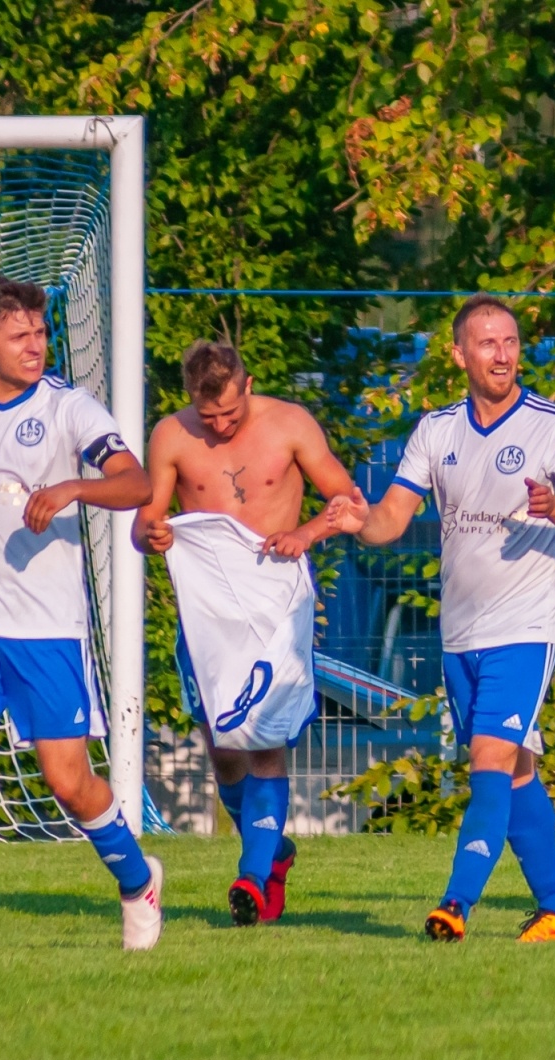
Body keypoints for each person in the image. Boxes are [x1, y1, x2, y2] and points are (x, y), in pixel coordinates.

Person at [0, 275, 162, 962]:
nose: (36, 346)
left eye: (41, 333)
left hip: (46, 630)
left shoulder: (70, 409)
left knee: (67, 780)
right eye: (20, 336)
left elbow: (137, 483)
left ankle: (138, 882)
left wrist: (75, 484)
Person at [348, 296, 555, 943]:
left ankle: (455, 905)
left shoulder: (552, 426)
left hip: (526, 625)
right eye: (487, 343)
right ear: (458, 354)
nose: (502, 354)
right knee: (516, 772)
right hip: (461, 632)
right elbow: (391, 518)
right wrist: (355, 522)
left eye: (511, 341)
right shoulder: (437, 431)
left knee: (489, 759)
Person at [132, 340, 367, 926]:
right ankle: (273, 851)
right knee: (221, 745)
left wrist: (306, 534)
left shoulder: (290, 423)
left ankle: (254, 876)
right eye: (207, 417)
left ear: (248, 383)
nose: (219, 426)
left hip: (276, 601)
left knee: (263, 739)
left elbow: (347, 499)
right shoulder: (170, 435)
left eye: (230, 414)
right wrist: (150, 535)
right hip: (206, 608)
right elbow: (145, 519)